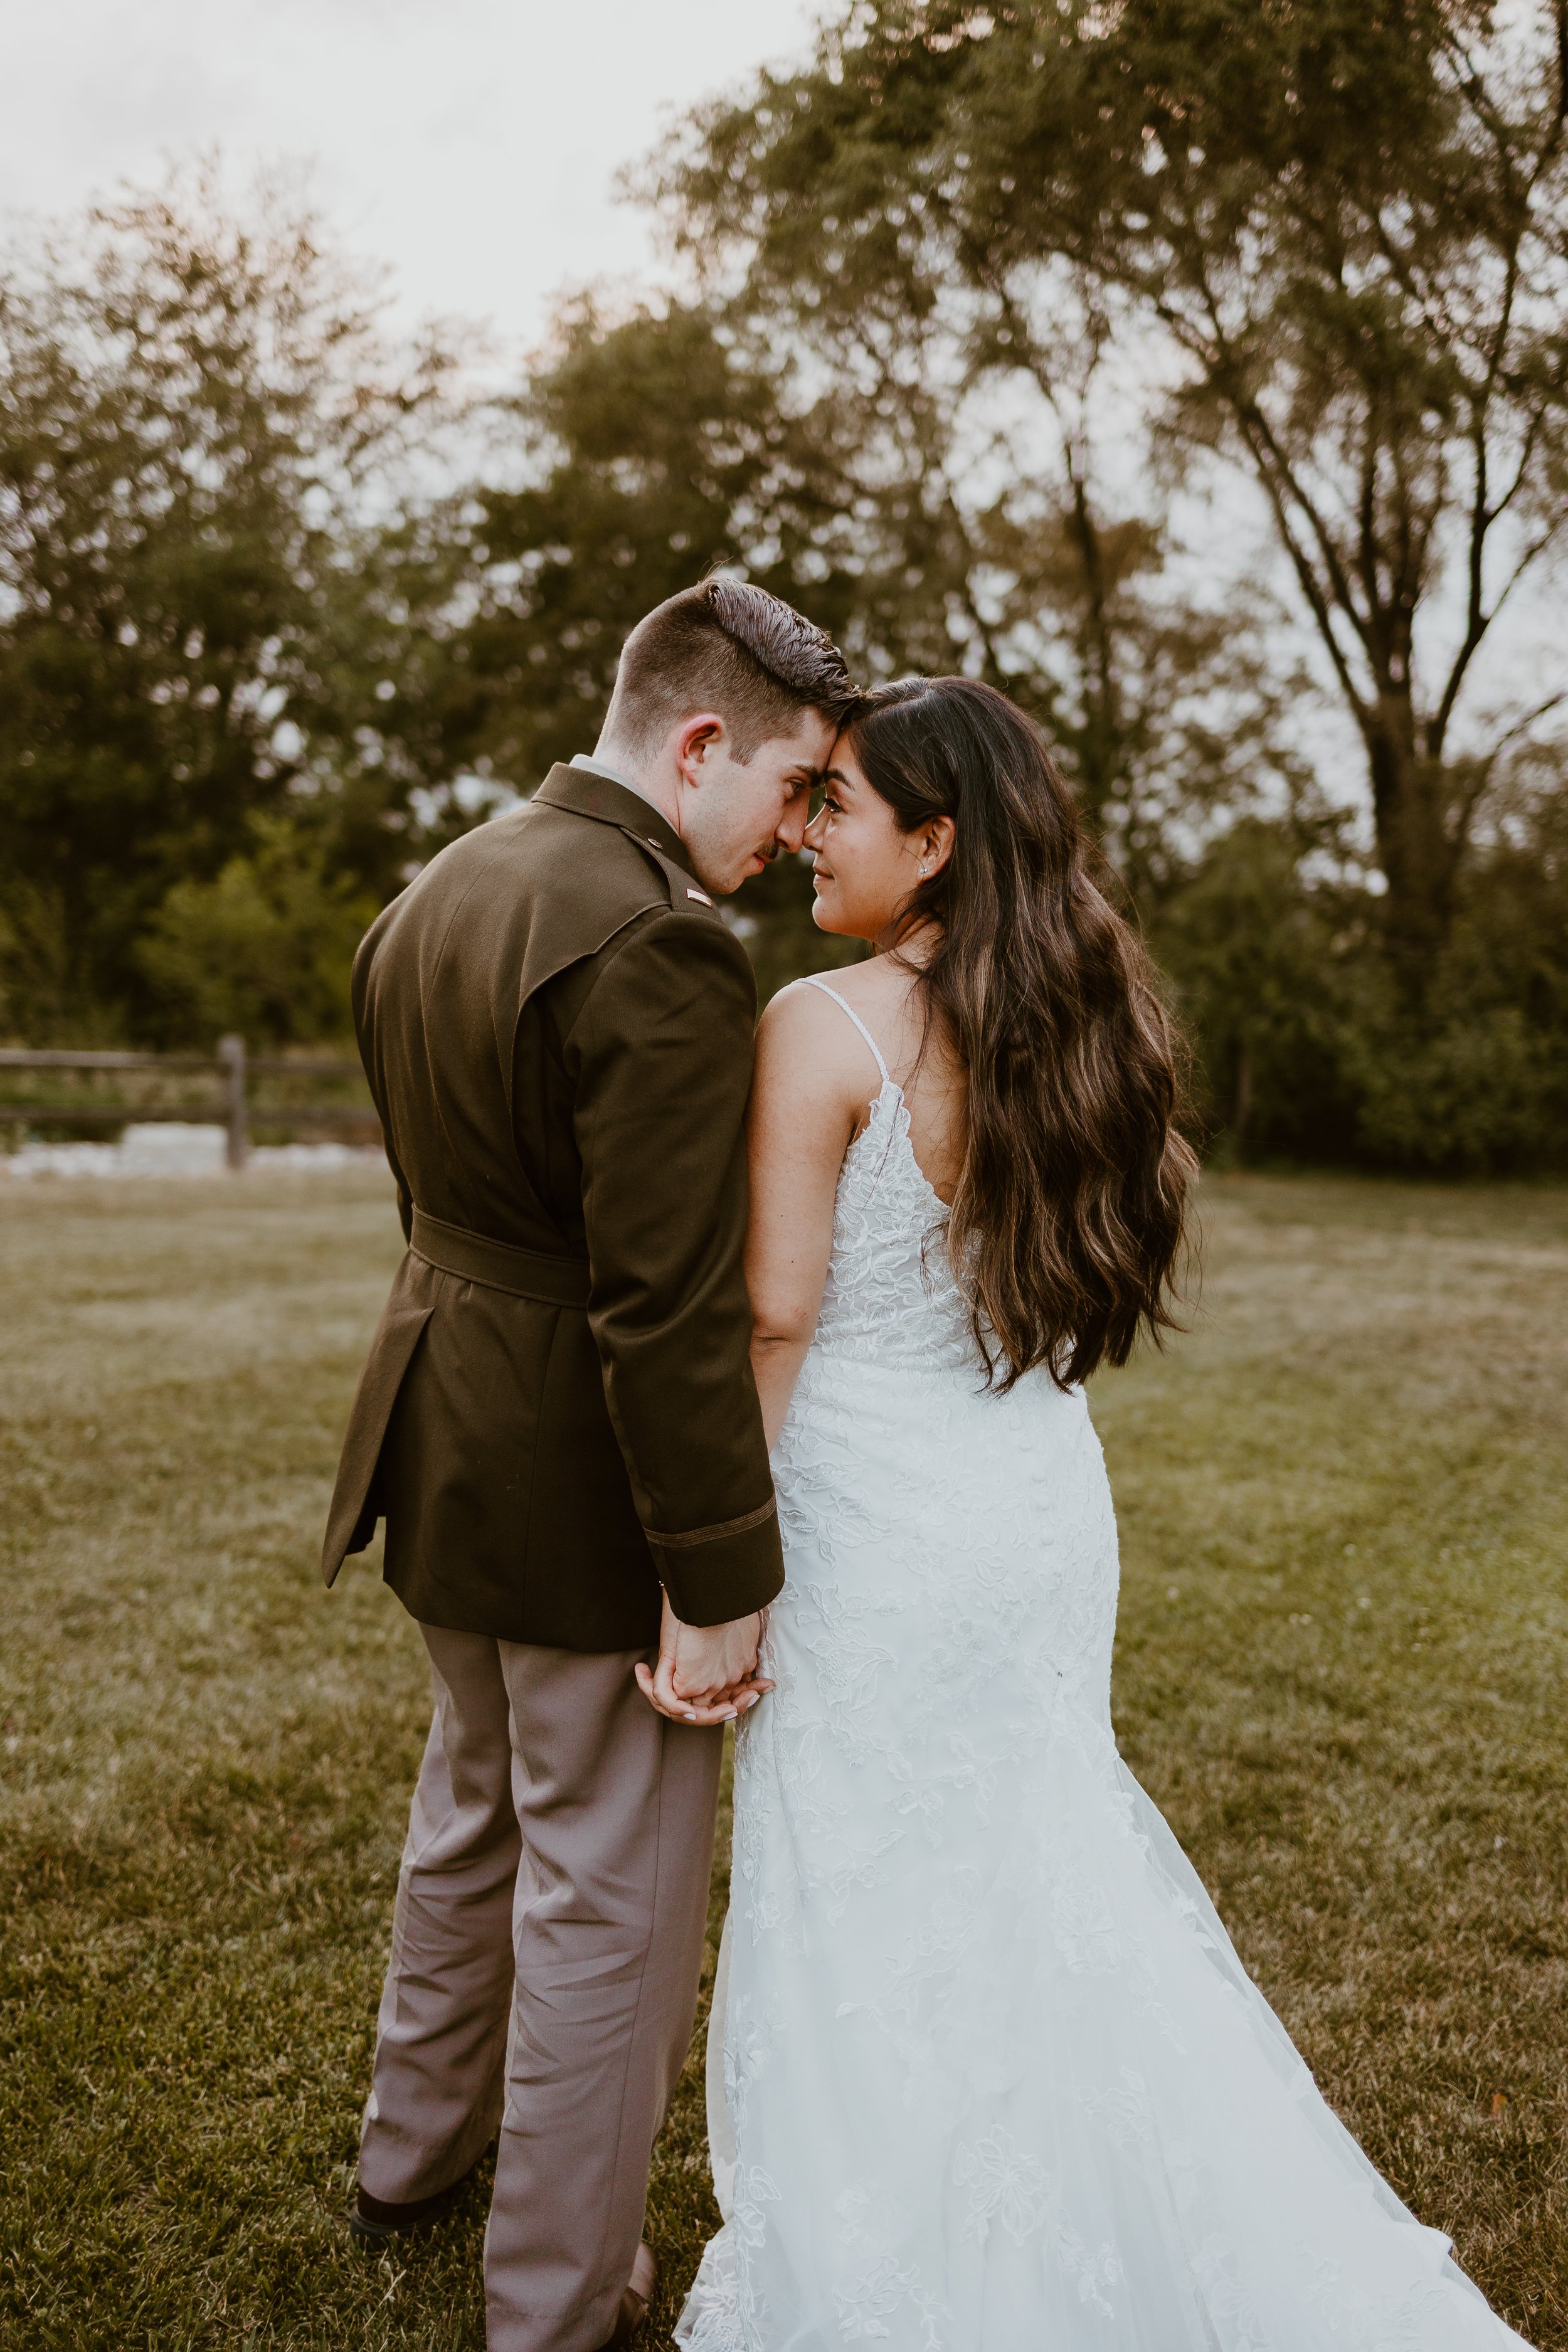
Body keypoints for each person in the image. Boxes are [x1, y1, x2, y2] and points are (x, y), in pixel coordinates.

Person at [674, 676, 1531, 2350]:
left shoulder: (821, 1025)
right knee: (1028, 1868)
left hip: (877, 1530)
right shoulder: (1083, 1016)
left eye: (836, 805)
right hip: (1033, 1511)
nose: (804, 833)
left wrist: (711, 1561)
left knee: (870, 1886)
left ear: (933, 844)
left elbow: (772, 1317)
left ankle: (919, 2264)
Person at [319, 578, 857, 2352]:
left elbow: (438, 1206)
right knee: (604, 1903)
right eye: (789, 788)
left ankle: (409, 2159)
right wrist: (715, 1581)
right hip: (568, 1483)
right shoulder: (659, 944)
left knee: (467, 1817)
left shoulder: (440, 884)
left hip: (435, 1433)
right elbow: (668, 1309)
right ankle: (553, 2303)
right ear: (697, 744)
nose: (792, 835)